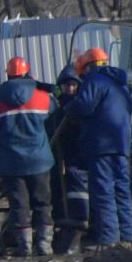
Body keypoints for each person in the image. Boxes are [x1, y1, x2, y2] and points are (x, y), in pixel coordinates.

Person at [0, 57, 54, 255]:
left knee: (19, 205)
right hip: (39, 160)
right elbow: (55, 110)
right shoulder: (41, 96)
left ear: (8, 74)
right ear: (27, 73)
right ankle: (44, 245)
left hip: (11, 162)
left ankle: (24, 248)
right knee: (43, 202)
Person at [65, 46, 132, 247]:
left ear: (87, 67)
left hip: (100, 145)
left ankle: (110, 242)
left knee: (104, 192)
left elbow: (84, 106)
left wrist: (70, 105)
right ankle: (127, 239)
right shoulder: (120, 84)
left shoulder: (93, 80)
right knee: (122, 190)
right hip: (120, 145)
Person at [47, 68, 90, 248]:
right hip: (63, 157)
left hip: (82, 157)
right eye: (66, 86)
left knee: (79, 189)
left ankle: (81, 222)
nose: (70, 89)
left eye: (73, 85)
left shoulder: (81, 108)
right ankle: (67, 222)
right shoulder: (57, 111)